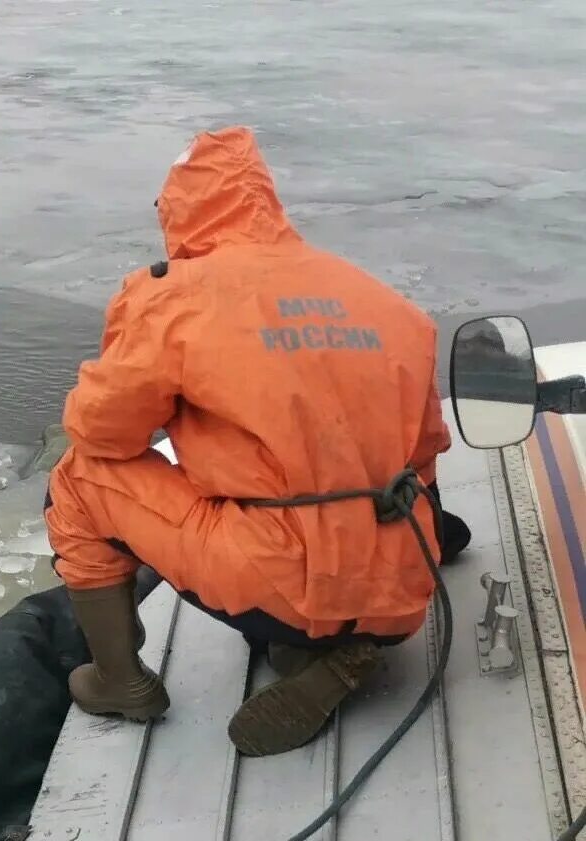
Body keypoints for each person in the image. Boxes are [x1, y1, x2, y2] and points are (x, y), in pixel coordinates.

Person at [45, 126, 470, 757]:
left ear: (178, 212)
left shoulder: (175, 297)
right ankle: (340, 640)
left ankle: (119, 680)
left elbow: (102, 431)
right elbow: (426, 451)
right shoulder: (381, 299)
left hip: (279, 579)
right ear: (267, 203)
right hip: (403, 581)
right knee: (345, 519)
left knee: (79, 479)